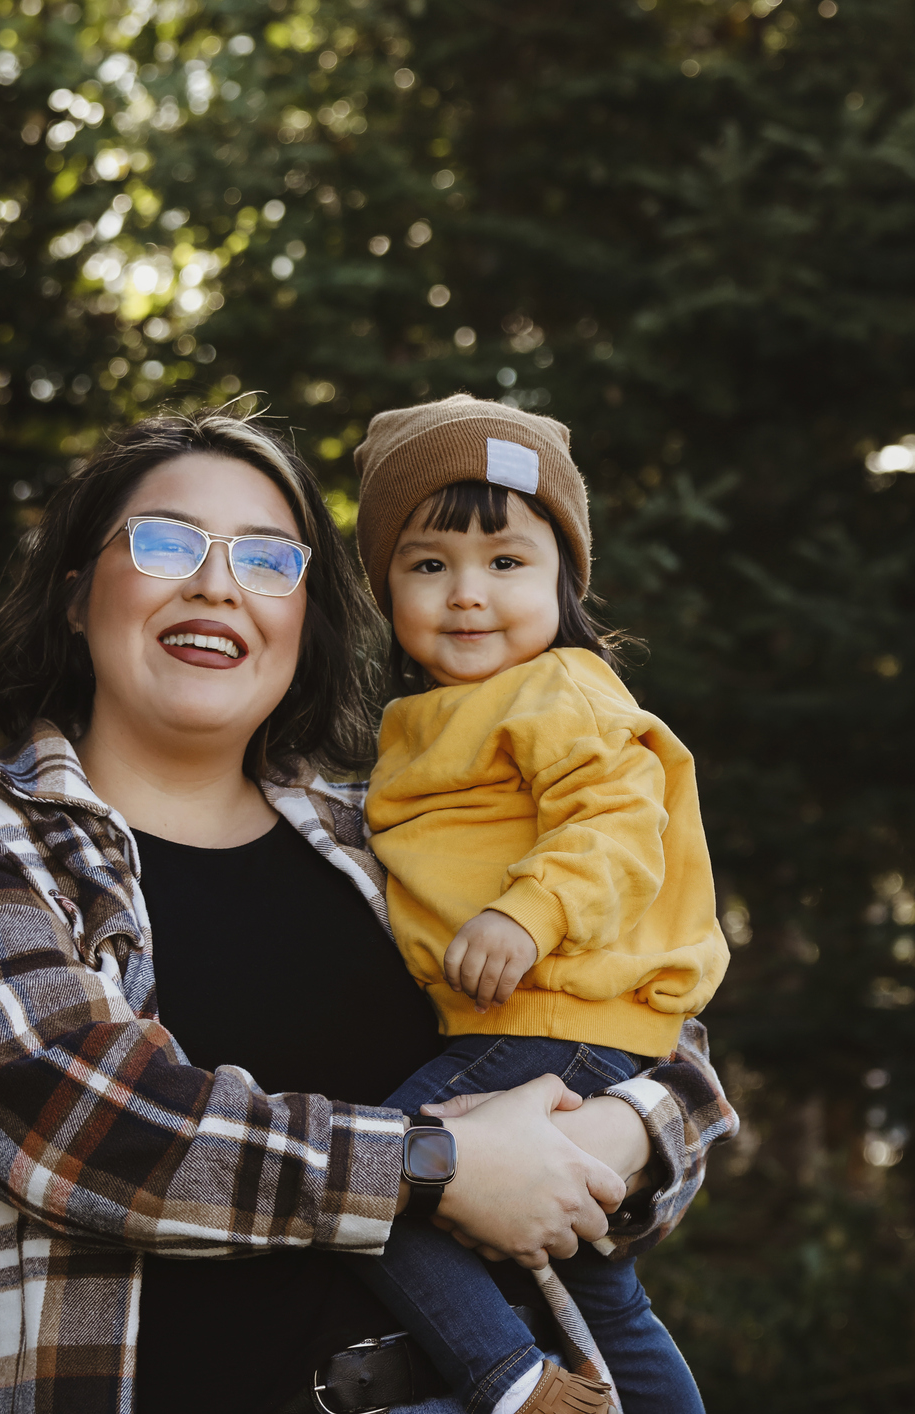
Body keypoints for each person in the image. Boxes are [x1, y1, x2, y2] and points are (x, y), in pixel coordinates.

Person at [0, 406, 738, 1414]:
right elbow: (72, 1122)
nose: (217, 583)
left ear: (303, 615)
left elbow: (655, 1039)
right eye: (166, 542)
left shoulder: (379, 841)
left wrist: (623, 1133)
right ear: (72, 592)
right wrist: (434, 1168)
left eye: (268, 559)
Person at [342, 396, 728, 1414]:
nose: (468, 594)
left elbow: (615, 822)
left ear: (565, 581)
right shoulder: (419, 720)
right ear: (385, 586)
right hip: (546, 1024)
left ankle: (509, 1380)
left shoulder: (561, 688)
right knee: (600, 1280)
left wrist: (525, 915)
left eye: (507, 563)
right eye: (429, 565)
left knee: (381, 1181)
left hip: (548, 1014)